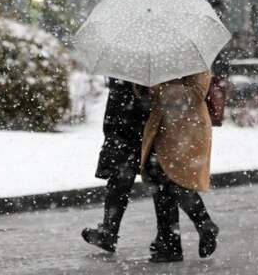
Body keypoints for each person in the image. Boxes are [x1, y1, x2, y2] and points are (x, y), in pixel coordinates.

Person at [141, 72, 219, 263]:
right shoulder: (161, 59)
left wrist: (160, 89)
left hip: (187, 129)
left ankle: (191, 231)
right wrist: (144, 86)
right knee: (160, 182)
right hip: (163, 127)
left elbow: (196, 94)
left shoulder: (194, 60)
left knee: (175, 181)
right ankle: (171, 242)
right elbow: (146, 94)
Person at [81, 78, 151, 252]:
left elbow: (119, 101)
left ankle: (109, 232)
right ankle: (174, 235)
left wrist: (112, 131)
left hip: (127, 129)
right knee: (161, 185)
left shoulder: (127, 69)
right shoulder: (135, 69)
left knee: (119, 184)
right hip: (137, 127)